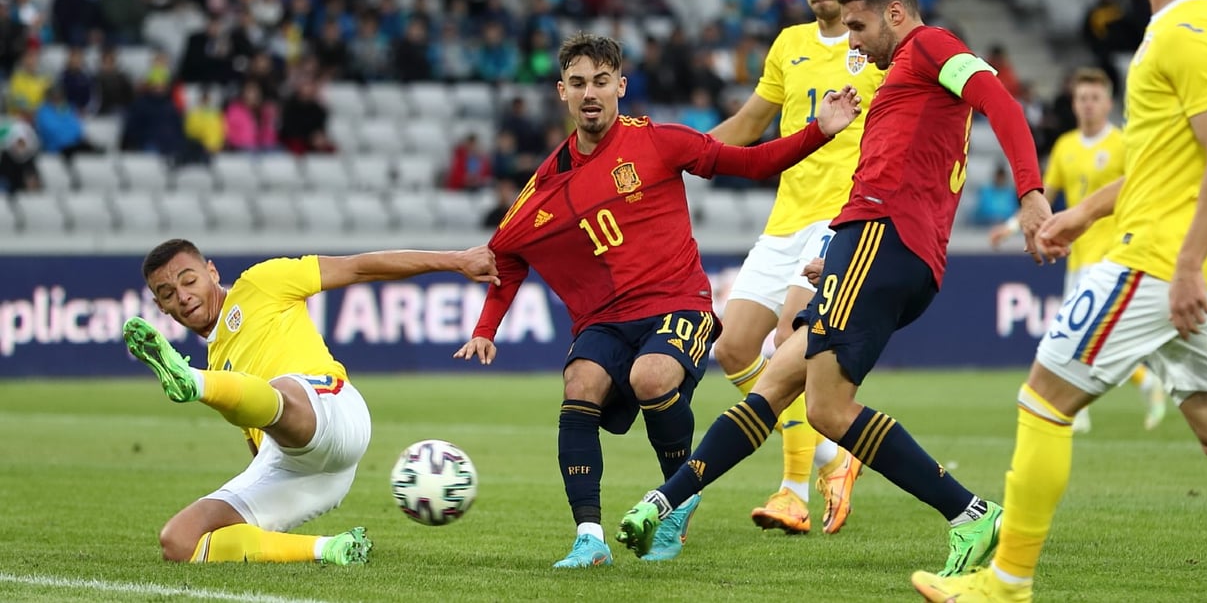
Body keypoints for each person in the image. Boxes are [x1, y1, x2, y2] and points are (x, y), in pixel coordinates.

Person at [616, 0, 1052, 579]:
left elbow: (999, 98)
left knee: (826, 408)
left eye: (858, 25)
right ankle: (665, 502)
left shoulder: (929, 46)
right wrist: (841, 255)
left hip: (881, 236)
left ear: (894, 13)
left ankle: (971, 513)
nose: (850, 40)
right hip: (872, 246)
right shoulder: (905, 73)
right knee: (773, 384)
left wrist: (1029, 192)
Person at [913, 0, 1207, 600]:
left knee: (1043, 400)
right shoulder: (1189, 28)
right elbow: (1164, 161)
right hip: (1170, 251)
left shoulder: (1188, 34)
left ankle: (1007, 581)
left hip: (1154, 259)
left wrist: (1180, 267)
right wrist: (1083, 215)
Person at [453, 32, 860, 569]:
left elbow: (754, 164)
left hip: (679, 303)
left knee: (651, 377)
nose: (590, 93)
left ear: (621, 85)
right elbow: (507, 255)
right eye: (578, 83)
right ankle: (589, 538)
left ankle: (679, 500)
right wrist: (485, 327)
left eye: (601, 81)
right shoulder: (547, 181)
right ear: (561, 92)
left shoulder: (660, 141)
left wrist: (818, 132)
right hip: (605, 318)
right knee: (578, 385)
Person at [122, 239, 498, 565]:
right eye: (169, 293)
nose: (183, 296)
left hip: (334, 411)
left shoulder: (261, 282)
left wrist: (457, 260)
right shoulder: (219, 359)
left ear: (211, 271)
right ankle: (330, 549)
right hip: (312, 475)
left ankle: (193, 385)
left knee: (280, 388)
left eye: (189, 280)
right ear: (160, 306)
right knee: (179, 540)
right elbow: (257, 440)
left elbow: (358, 268)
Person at [707, 0, 881, 536]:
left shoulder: (881, 48)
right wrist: (678, 155)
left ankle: (792, 490)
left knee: (788, 341)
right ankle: (834, 452)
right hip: (786, 216)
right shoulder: (789, 44)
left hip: (841, 217)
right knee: (730, 347)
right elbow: (752, 122)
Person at [989, 67, 1167, 434]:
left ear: (1108, 103)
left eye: (1094, 98)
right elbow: (1042, 198)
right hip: (1075, 255)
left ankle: (1079, 408)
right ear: (1073, 103)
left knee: (1074, 334)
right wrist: (1010, 228)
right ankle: (1141, 384)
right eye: (1081, 98)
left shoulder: (1122, 144)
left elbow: (1141, 191)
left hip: (1115, 252)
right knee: (1084, 336)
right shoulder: (1066, 146)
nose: (1087, 105)